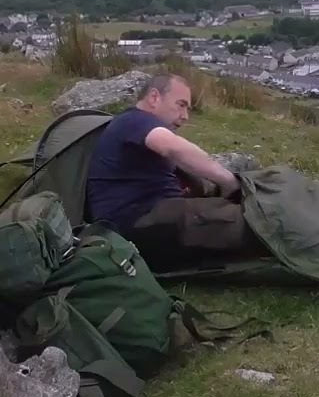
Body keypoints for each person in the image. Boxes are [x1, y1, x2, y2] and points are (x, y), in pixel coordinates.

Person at [85, 74, 265, 270]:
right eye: (181, 105)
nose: (185, 116)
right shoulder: (134, 120)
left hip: (151, 217)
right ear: (154, 98)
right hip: (136, 223)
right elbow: (171, 146)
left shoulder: (135, 126)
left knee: (250, 209)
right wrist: (228, 181)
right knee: (258, 223)